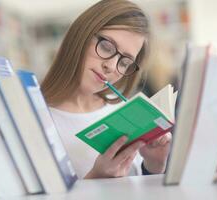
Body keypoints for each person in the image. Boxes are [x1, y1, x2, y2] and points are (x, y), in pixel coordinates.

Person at [41, 0, 172, 179]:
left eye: (125, 62)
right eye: (106, 46)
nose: (111, 66)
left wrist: (153, 167)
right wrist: (95, 179)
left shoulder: (123, 111)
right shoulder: (33, 118)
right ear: (81, 35)